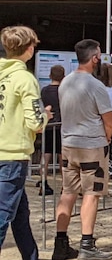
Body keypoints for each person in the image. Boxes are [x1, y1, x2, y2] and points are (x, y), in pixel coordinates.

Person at [0, 25, 59, 260]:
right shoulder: (25, 80)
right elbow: (35, 122)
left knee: (19, 215)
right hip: (13, 153)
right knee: (3, 215)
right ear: (29, 49)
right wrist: (46, 115)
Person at [53, 39, 112, 260]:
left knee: (67, 192)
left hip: (68, 144)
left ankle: (60, 243)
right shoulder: (95, 85)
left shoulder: (65, 82)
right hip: (91, 145)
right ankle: (87, 244)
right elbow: (109, 120)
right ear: (95, 58)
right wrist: (106, 139)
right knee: (91, 193)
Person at [39, 64, 65, 196]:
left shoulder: (44, 90)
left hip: (48, 125)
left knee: (46, 155)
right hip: (61, 126)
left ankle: (43, 182)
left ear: (50, 76)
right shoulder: (63, 91)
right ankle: (64, 185)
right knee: (62, 156)